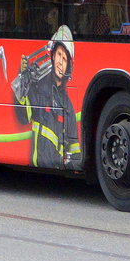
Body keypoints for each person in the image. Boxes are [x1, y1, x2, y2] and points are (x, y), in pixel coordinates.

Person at [14, 25, 81, 171]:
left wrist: (74, 165)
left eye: (64, 59)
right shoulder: (38, 88)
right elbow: (24, 117)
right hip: (39, 166)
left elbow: (75, 150)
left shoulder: (68, 106)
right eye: (58, 55)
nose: (60, 62)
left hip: (57, 169)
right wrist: (23, 78)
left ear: (68, 66)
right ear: (52, 56)